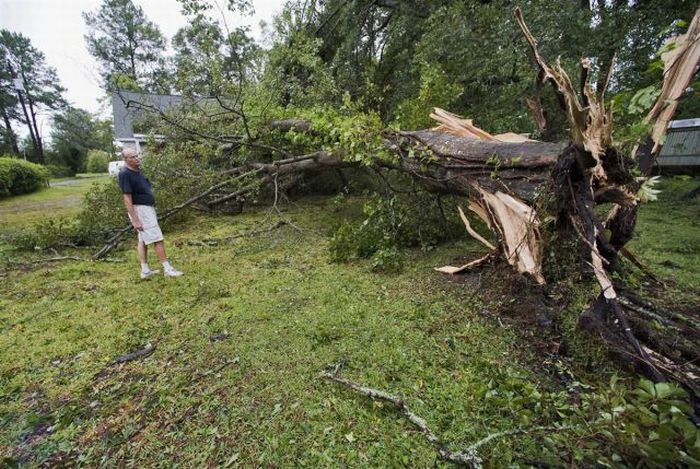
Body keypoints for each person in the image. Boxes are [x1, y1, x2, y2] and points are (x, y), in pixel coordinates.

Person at [118, 148, 183, 279]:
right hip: (140, 210)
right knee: (158, 238)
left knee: (142, 240)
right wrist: (135, 219)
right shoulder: (125, 174)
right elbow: (127, 198)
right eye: (132, 157)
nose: (136, 158)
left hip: (147, 208)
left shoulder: (138, 171)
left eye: (137, 156)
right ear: (125, 159)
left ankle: (145, 271)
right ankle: (167, 269)